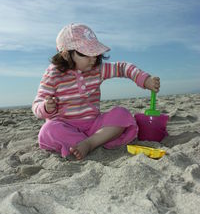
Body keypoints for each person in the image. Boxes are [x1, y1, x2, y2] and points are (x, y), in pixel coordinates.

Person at [32, 23, 160, 160]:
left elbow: (123, 68)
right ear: (65, 55)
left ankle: (89, 143)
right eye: (86, 53)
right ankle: (88, 142)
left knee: (122, 114)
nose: (93, 59)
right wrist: (45, 107)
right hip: (65, 127)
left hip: (94, 126)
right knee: (48, 131)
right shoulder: (53, 74)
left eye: (95, 53)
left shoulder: (97, 69)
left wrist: (144, 80)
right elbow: (37, 105)